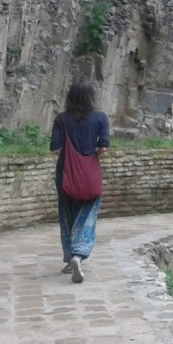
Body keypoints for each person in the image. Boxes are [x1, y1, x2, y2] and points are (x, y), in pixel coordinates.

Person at [50, 80, 110, 284]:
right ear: (90, 97)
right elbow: (103, 148)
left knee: (67, 216)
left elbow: (56, 150)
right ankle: (79, 254)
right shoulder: (100, 118)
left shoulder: (61, 119)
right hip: (90, 174)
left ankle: (69, 260)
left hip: (65, 174)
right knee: (88, 214)